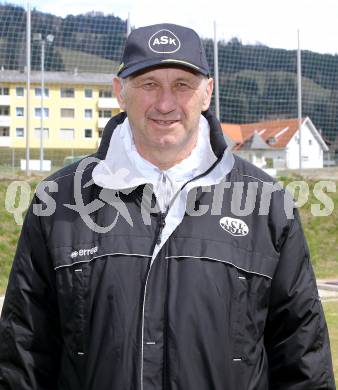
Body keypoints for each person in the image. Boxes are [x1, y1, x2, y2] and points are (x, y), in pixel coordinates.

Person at [0, 23, 335, 390]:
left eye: (182, 85)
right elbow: (24, 354)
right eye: (148, 84)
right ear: (120, 92)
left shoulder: (267, 204)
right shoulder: (59, 200)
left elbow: (302, 358)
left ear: (207, 93)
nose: (165, 103)